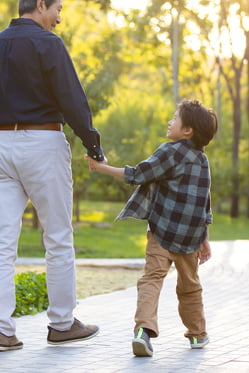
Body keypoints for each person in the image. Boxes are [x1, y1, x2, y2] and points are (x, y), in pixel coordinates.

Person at [0, 0, 106, 352]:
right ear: (40, 4)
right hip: (42, 142)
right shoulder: (48, 44)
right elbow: (71, 97)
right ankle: (62, 323)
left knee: (1, 243)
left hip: (1, 144)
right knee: (58, 237)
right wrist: (92, 144)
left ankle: (2, 331)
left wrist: (2, 136)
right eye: (57, 10)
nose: (58, 19)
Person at [87, 98, 218, 357]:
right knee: (190, 285)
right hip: (190, 237)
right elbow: (205, 203)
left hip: (162, 232)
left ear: (187, 130)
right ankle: (198, 334)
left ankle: (143, 332)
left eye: (175, 118)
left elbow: (138, 174)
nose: (170, 121)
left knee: (151, 279)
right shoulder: (202, 161)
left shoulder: (169, 151)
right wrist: (205, 238)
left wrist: (102, 168)